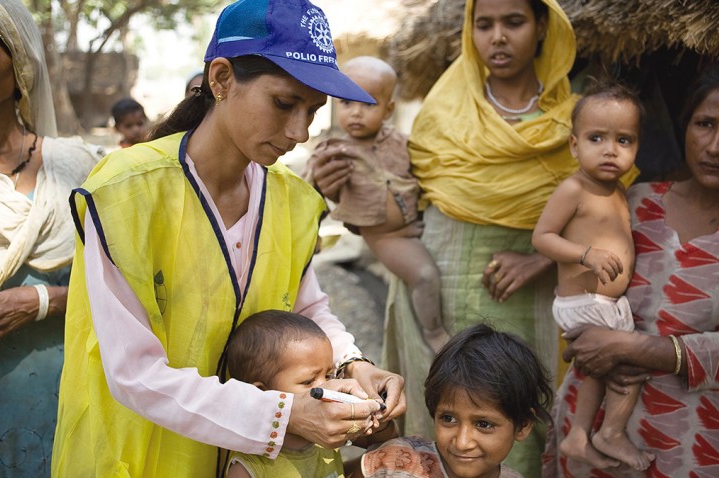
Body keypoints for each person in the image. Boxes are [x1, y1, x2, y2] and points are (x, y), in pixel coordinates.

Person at [51, 1, 406, 476]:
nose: (300, 132)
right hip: (144, 453)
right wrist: (283, 416)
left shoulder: (293, 200)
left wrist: (351, 364)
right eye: (284, 103)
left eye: (314, 110)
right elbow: (133, 371)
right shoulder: (124, 192)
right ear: (220, 80)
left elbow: (304, 308)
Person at [310, 1, 637, 474]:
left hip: (534, 297)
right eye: (484, 24)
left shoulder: (578, 120)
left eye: (514, 22)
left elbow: (607, 207)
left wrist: (541, 260)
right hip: (436, 292)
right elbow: (394, 203)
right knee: (442, 419)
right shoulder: (443, 110)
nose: (498, 37)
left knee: (521, 412)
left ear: (543, 26)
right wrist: (336, 185)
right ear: (469, 31)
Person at [546, 60, 719, 477]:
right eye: (704, 123)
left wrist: (623, 346)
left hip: (687, 440)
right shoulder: (636, 200)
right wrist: (535, 265)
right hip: (587, 423)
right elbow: (581, 257)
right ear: (684, 129)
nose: (716, 145)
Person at [0, 1, 102, 475]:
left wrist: (40, 301)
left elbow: (139, 288)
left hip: (64, 400)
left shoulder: (79, 167)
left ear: (20, 67)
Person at [532, 82, 652, 471]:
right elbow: (542, 238)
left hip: (606, 303)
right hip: (583, 301)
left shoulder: (618, 189)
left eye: (624, 139)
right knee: (625, 364)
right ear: (573, 145)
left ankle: (581, 435)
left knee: (608, 370)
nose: (610, 149)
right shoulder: (574, 189)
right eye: (596, 138)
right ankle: (608, 433)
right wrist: (586, 254)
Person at [307, 56, 448, 352]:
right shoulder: (334, 151)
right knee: (425, 276)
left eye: (368, 104)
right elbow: (309, 189)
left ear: (389, 109)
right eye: (347, 103)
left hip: (414, 222)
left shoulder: (400, 141)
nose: (356, 113)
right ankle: (433, 332)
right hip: (385, 235)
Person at [354, 323, 553, 478]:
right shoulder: (396, 464)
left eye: (484, 424)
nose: (463, 442)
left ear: (523, 426)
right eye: (448, 418)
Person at [224, 310, 398, 478]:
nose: (329, 386)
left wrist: (379, 420)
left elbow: (383, 442)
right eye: (308, 382)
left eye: (329, 375)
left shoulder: (329, 430)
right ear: (262, 393)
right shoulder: (250, 468)